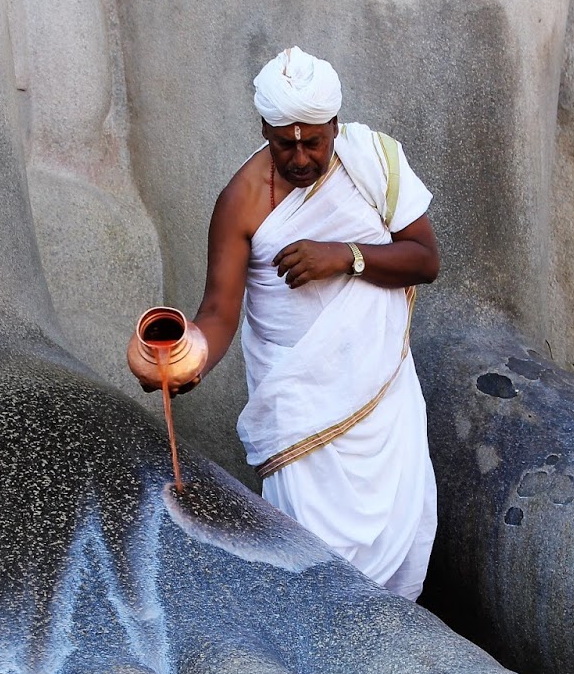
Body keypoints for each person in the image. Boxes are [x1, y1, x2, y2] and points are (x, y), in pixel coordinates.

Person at [136, 47, 442, 600]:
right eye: (285, 143)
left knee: (398, 553)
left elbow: (425, 258)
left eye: (313, 142)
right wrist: (189, 358)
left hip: (382, 396)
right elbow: (219, 311)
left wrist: (345, 255)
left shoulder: (374, 160)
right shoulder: (241, 201)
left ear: (334, 127)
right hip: (301, 411)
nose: (300, 157)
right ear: (265, 129)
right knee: (314, 565)